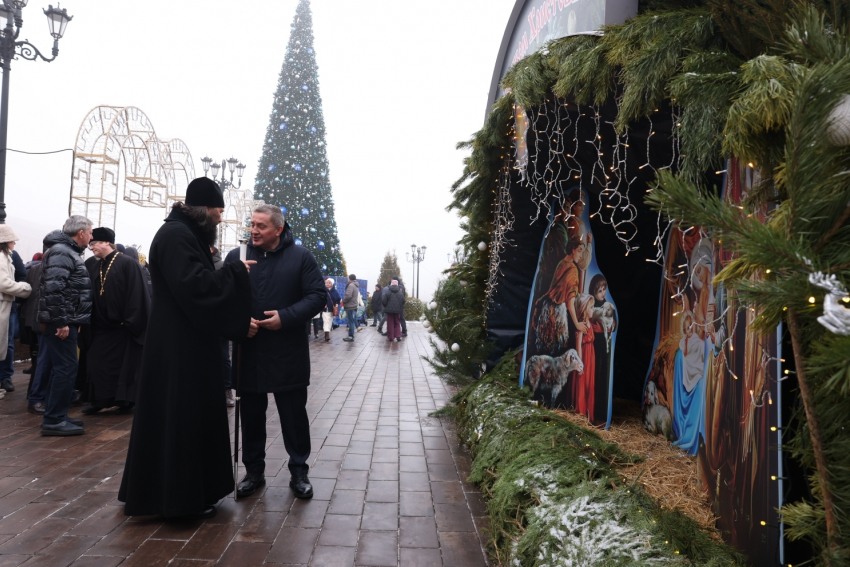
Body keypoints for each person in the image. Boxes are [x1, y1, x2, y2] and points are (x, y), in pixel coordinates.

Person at [119, 177, 257, 519]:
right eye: (218, 211)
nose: (221, 219)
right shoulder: (176, 235)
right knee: (180, 418)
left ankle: (177, 493)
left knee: (179, 417)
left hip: (184, 341)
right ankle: (179, 500)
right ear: (204, 210)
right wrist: (235, 271)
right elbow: (195, 287)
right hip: (179, 347)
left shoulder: (182, 233)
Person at [228, 204, 325, 500]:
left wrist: (285, 316)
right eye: (252, 225)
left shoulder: (301, 257)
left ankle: (299, 471)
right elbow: (222, 297)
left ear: (278, 230)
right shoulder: (237, 257)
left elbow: (317, 296)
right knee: (252, 415)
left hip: (287, 351)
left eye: (261, 226)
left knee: (293, 415)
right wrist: (238, 322)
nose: (253, 231)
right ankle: (253, 471)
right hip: (250, 350)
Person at [81, 227, 150, 416]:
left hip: (122, 328)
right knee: (96, 363)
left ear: (105, 242)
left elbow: (138, 294)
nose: (91, 247)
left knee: (123, 367)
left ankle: (125, 401)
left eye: (94, 244)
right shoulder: (92, 264)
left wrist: (129, 321)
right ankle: (99, 400)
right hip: (100, 327)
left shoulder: (128, 264)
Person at [38, 216, 94, 436]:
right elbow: (55, 289)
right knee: (66, 368)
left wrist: (73, 320)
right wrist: (62, 322)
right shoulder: (62, 251)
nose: (91, 237)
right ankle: (53, 420)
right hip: (59, 322)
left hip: (64, 320)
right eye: (90, 232)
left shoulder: (65, 251)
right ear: (80, 232)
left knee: (62, 368)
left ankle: (56, 414)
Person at [0, 226, 31, 399]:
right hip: (4, 303)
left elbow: (20, 274)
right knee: (5, 341)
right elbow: (7, 282)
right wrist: (24, 289)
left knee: (6, 342)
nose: (15, 242)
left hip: (7, 303)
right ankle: (4, 378)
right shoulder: (3, 257)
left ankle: (5, 378)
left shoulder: (11, 256)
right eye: (12, 240)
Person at [21, 249, 47, 414]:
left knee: (40, 357)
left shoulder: (33, 269)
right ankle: (36, 396)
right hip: (44, 320)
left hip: (32, 318)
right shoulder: (45, 269)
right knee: (43, 359)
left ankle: (34, 394)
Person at [212, 245, 235, 407]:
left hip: (217, 317)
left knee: (223, 355)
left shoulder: (221, 265)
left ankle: (227, 389)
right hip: (214, 317)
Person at [321, 277, 340, 342]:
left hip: (332, 309)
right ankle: (327, 335)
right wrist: (323, 304)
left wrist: (337, 304)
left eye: (329, 283)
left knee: (330, 321)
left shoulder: (334, 291)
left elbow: (338, 299)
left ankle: (327, 333)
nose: (327, 284)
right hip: (325, 309)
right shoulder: (323, 290)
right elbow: (320, 298)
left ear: (332, 284)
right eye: (326, 283)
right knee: (326, 321)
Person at [342, 274, 360, 342]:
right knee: (352, 321)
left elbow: (348, 296)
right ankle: (351, 335)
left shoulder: (351, 285)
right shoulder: (355, 285)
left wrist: (344, 301)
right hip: (354, 305)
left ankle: (351, 336)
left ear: (350, 279)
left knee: (351, 322)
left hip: (350, 306)